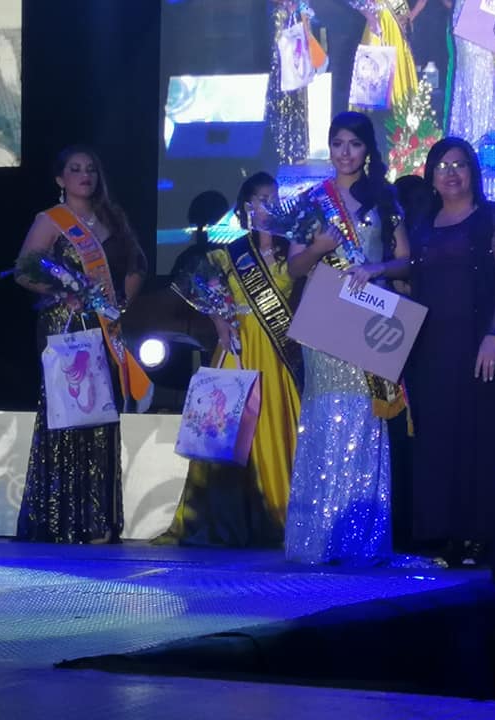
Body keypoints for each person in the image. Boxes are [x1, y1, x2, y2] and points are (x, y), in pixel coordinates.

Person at [283, 111, 411, 565]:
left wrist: (376, 268)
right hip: (325, 321)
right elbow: (294, 267)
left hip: (370, 322)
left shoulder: (385, 198)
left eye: (354, 144)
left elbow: (405, 261)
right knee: (325, 417)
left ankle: (359, 539)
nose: (345, 152)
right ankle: (318, 537)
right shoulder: (312, 202)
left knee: (364, 420)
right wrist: (319, 248)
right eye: (337, 143)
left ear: (367, 149)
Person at [157, 173, 303, 547]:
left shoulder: (294, 251)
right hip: (237, 350)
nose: (270, 206)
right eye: (262, 199)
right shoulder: (229, 254)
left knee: (273, 429)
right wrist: (219, 322)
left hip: (277, 354)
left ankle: (278, 514)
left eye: (275, 199)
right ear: (246, 207)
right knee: (228, 433)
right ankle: (223, 521)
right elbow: (202, 288)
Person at [14, 146, 148, 544]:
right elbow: (24, 272)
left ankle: (98, 520)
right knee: (71, 415)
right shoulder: (51, 220)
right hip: (66, 325)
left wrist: (121, 302)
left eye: (90, 168)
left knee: (102, 417)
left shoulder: (112, 217)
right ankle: (63, 520)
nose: (84, 175)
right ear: (60, 179)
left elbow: (137, 264)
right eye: (74, 169)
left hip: (105, 326)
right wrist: (62, 292)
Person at [408, 137, 495, 566]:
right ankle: (444, 534)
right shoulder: (423, 222)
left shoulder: (494, 219)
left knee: (482, 437)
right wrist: (376, 270)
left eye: (458, 164)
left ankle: (482, 535)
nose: (450, 173)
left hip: (480, 346)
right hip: (431, 348)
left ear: (473, 170)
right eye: (442, 166)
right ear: (431, 176)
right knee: (438, 437)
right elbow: (412, 273)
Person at [445, 0, 495, 150]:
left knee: (488, 74)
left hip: (487, 11)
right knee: (473, 74)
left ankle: (486, 141)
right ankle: (474, 140)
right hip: (470, 15)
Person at [267, 1, 312, 165]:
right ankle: (277, 148)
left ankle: (297, 149)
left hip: (296, 29)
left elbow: (307, 8)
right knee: (280, 89)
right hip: (279, 32)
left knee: (297, 89)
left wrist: (301, 10)